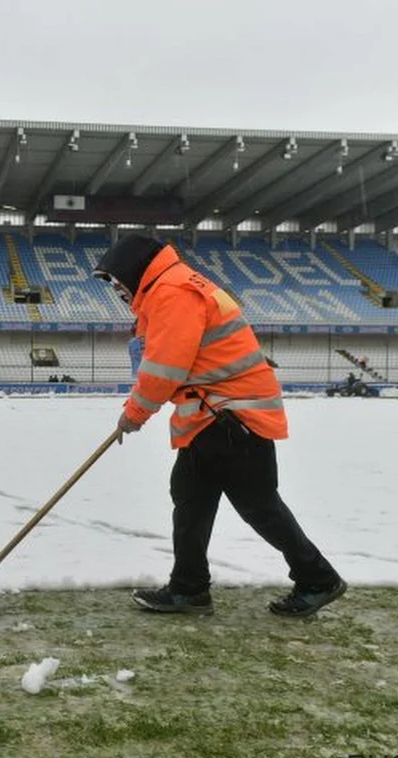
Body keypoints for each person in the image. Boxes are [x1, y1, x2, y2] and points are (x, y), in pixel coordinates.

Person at [94, 234, 346, 618]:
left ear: (133, 268)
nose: (116, 289)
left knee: (259, 506)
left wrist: (135, 413)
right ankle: (188, 588)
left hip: (233, 420)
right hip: (212, 418)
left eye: (116, 280)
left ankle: (318, 578)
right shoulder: (173, 288)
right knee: (191, 498)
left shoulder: (173, 292)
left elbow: (164, 369)